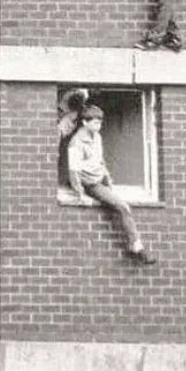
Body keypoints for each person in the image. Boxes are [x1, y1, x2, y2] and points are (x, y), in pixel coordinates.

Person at [67, 105, 157, 265]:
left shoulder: (97, 137)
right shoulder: (76, 143)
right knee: (122, 207)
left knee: (122, 203)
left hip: (100, 179)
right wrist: (80, 194)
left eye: (100, 123)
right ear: (84, 122)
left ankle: (134, 244)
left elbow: (100, 161)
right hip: (91, 184)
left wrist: (109, 180)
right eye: (95, 123)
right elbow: (73, 171)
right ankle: (136, 246)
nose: (98, 126)